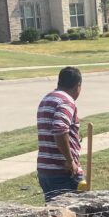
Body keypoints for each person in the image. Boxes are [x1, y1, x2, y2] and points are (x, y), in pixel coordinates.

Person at [37, 66, 84, 201]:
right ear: (78, 85)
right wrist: (70, 161)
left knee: (54, 215)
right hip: (62, 172)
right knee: (72, 215)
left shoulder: (47, 99)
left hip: (45, 169)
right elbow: (59, 130)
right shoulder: (66, 101)